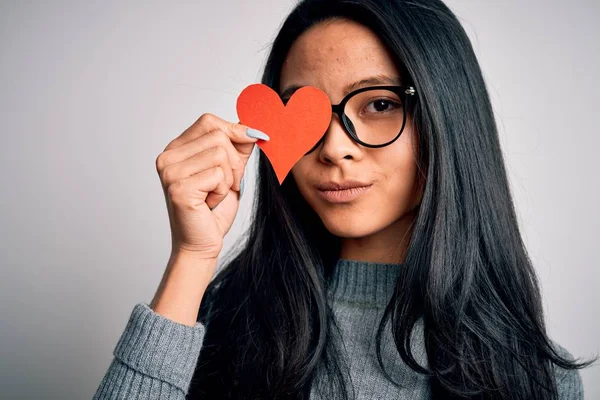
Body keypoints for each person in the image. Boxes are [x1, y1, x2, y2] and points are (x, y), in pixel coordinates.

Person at [93, 0, 597, 399]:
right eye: (301, 112)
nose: (334, 148)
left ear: (447, 118)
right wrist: (191, 257)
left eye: (379, 103)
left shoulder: (536, 377)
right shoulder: (218, 328)